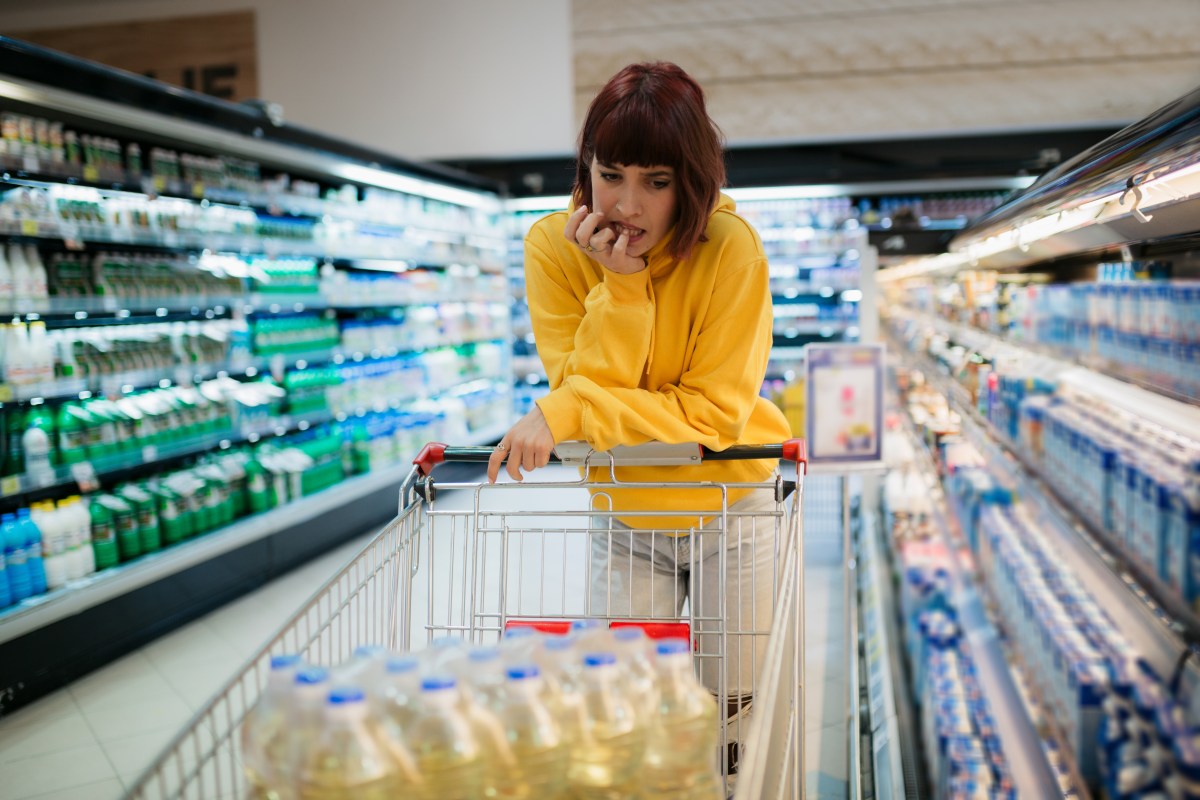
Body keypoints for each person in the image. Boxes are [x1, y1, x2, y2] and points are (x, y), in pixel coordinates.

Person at [486, 61, 792, 780]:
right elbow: (591, 405)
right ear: (585, 166)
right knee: (629, 711)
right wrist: (621, 289)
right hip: (625, 515)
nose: (627, 205)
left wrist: (566, 409)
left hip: (730, 504)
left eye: (656, 182)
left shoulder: (729, 247)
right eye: (610, 173)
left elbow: (713, 414)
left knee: (733, 708)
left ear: (691, 182)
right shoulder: (553, 249)